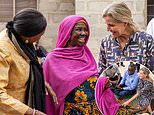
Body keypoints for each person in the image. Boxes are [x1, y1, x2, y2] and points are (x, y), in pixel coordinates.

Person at [0, 8, 55, 115]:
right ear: (28, 36)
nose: (40, 38)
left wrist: (42, 82)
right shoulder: (3, 50)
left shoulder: (21, 41)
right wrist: (31, 112)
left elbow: (26, 69)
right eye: (39, 35)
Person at [43, 15, 100, 115]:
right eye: (78, 29)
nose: (83, 33)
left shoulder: (87, 55)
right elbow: (47, 96)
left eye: (85, 30)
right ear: (67, 32)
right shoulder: (52, 59)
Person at [98, 2, 154, 75]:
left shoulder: (146, 41)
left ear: (125, 23)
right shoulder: (106, 43)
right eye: (107, 25)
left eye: (111, 25)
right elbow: (101, 73)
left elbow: (152, 73)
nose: (108, 29)